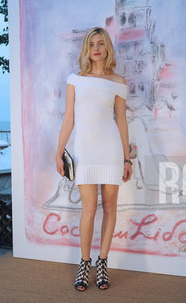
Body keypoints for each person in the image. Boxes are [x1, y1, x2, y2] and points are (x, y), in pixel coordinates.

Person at [55, 27, 133, 291]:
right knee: (88, 210)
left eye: (101, 43)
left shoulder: (119, 82)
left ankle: (103, 263)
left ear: (107, 47)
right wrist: (59, 152)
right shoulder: (75, 79)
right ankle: (84, 263)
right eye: (91, 44)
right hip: (85, 150)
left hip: (110, 149)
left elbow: (121, 120)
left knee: (110, 208)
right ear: (86, 49)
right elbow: (69, 118)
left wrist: (127, 158)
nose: (96, 48)